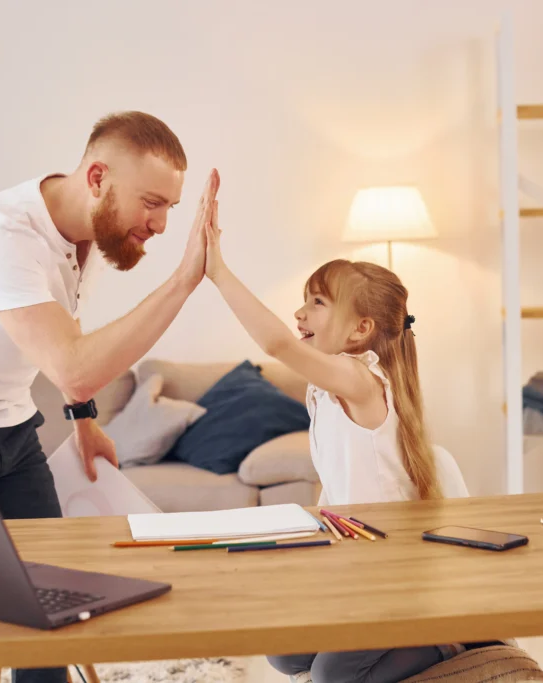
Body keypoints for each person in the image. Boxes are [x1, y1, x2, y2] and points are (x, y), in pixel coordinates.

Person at [0, 111, 219, 683]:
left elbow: (63, 338)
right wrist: (183, 280)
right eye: (151, 202)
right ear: (97, 177)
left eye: (170, 209)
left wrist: (84, 421)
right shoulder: (3, 235)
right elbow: (73, 366)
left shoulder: (85, 234)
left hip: (10, 428)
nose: (159, 224)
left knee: (49, 608)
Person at [201, 206, 469, 683]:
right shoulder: (328, 390)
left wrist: (218, 272)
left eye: (318, 303)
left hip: (396, 576)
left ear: (360, 329)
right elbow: (337, 485)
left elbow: (278, 345)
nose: (300, 313)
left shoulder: (361, 379)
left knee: (329, 677)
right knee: (284, 656)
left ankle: (448, 639)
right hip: (357, 569)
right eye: (305, 301)